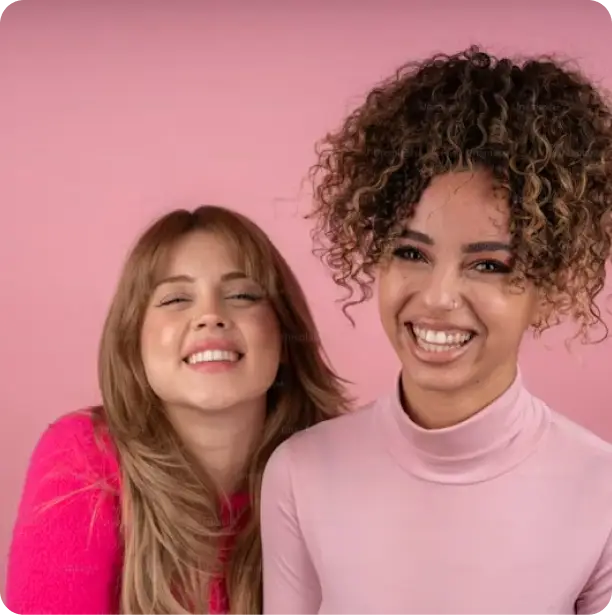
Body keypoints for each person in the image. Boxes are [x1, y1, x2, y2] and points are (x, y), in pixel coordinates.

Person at [260, 46, 612, 615]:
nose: (440, 297)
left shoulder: (602, 494)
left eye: (489, 264)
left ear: (551, 284)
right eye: (411, 252)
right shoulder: (302, 475)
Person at [6, 205, 350, 615]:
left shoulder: (336, 473)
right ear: (132, 341)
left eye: (241, 295)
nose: (210, 317)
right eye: (175, 298)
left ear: (284, 337)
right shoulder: (81, 457)